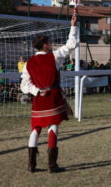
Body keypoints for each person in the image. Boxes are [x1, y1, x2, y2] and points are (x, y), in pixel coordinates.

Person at [20, 14, 77, 173]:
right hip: (53, 97)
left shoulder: (28, 62)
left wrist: (37, 91)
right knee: (53, 126)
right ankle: (52, 165)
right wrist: (73, 26)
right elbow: (71, 44)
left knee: (35, 128)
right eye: (50, 42)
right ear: (44, 45)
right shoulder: (55, 57)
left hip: (39, 99)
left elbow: (24, 84)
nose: (52, 44)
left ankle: (32, 165)